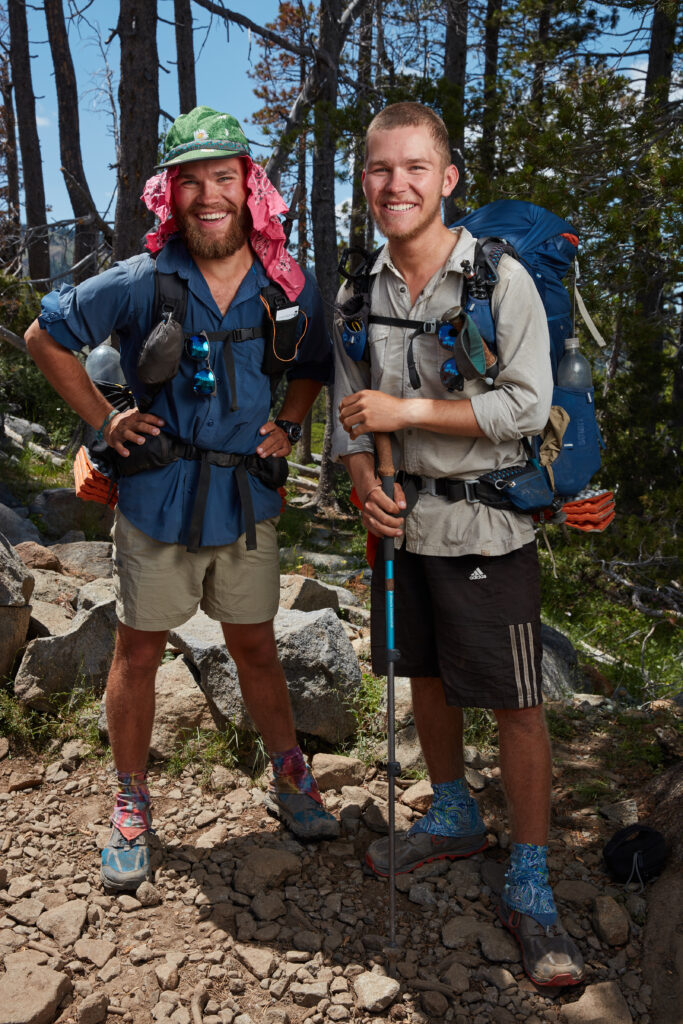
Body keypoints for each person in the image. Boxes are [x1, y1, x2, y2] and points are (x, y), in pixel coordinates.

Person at [25, 106, 339, 893]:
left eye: (222, 177)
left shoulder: (284, 283)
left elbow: (313, 362)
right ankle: (131, 802)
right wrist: (105, 422)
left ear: (247, 184)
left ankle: (290, 776)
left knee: (256, 646)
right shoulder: (144, 280)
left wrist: (289, 424)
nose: (208, 195)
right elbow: (44, 336)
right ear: (171, 193)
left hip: (244, 501)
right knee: (139, 650)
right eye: (190, 181)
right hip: (156, 495)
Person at [332, 102, 584, 988]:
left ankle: (530, 879)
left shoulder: (496, 280)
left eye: (413, 168)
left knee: (516, 701)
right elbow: (349, 410)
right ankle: (451, 814)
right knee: (424, 675)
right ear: (364, 181)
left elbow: (525, 404)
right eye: (379, 169)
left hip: (485, 524)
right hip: (402, 523)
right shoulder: (357, 289)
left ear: (445, 179)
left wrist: (407, 411)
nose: (394, 185)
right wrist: (362, 481)